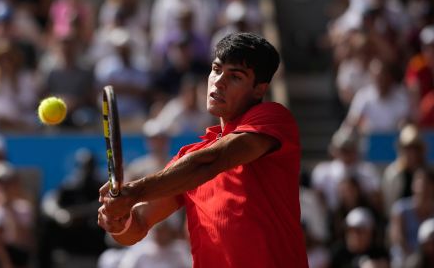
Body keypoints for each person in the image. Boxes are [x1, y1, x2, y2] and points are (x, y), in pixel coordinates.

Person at [98, 32, 309, 267]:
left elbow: (212, 161)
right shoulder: (187, 161)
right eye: (216, 70)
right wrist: (119, 220)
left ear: (259, 89)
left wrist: (133, 192)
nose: (219, 81)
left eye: (235, 76)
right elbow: (137, 226)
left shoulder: (273, 117)